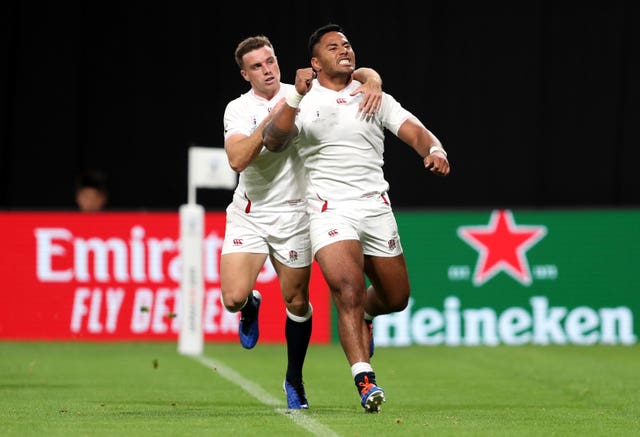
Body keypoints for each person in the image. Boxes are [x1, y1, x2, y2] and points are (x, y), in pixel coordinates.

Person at [262, 23, 450, 413]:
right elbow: (273, 140)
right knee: (345, 289)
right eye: (333, 47)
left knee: (396, 298)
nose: (344, 50)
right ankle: (365, 379)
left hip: (375, 207)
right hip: (329, 209)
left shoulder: (371, 94)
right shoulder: (302, 99)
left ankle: (367, 313)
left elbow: (415, 131)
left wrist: (435, 151)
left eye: (347, 44)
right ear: (316, 62)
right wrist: (295, 96)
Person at [220, 34, 384, 410]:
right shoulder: (238, 109)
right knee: (231, 298)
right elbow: (238, 160)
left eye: (271, 61)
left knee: (297, 302)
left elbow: (347, 73)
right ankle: (250, 305)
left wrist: (371, 78)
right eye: (257, 66)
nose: (267, 70)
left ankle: (294, 379)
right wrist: (279, 114)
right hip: (251, 213)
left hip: (296, 214)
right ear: (245, 74)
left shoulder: (306, 91)